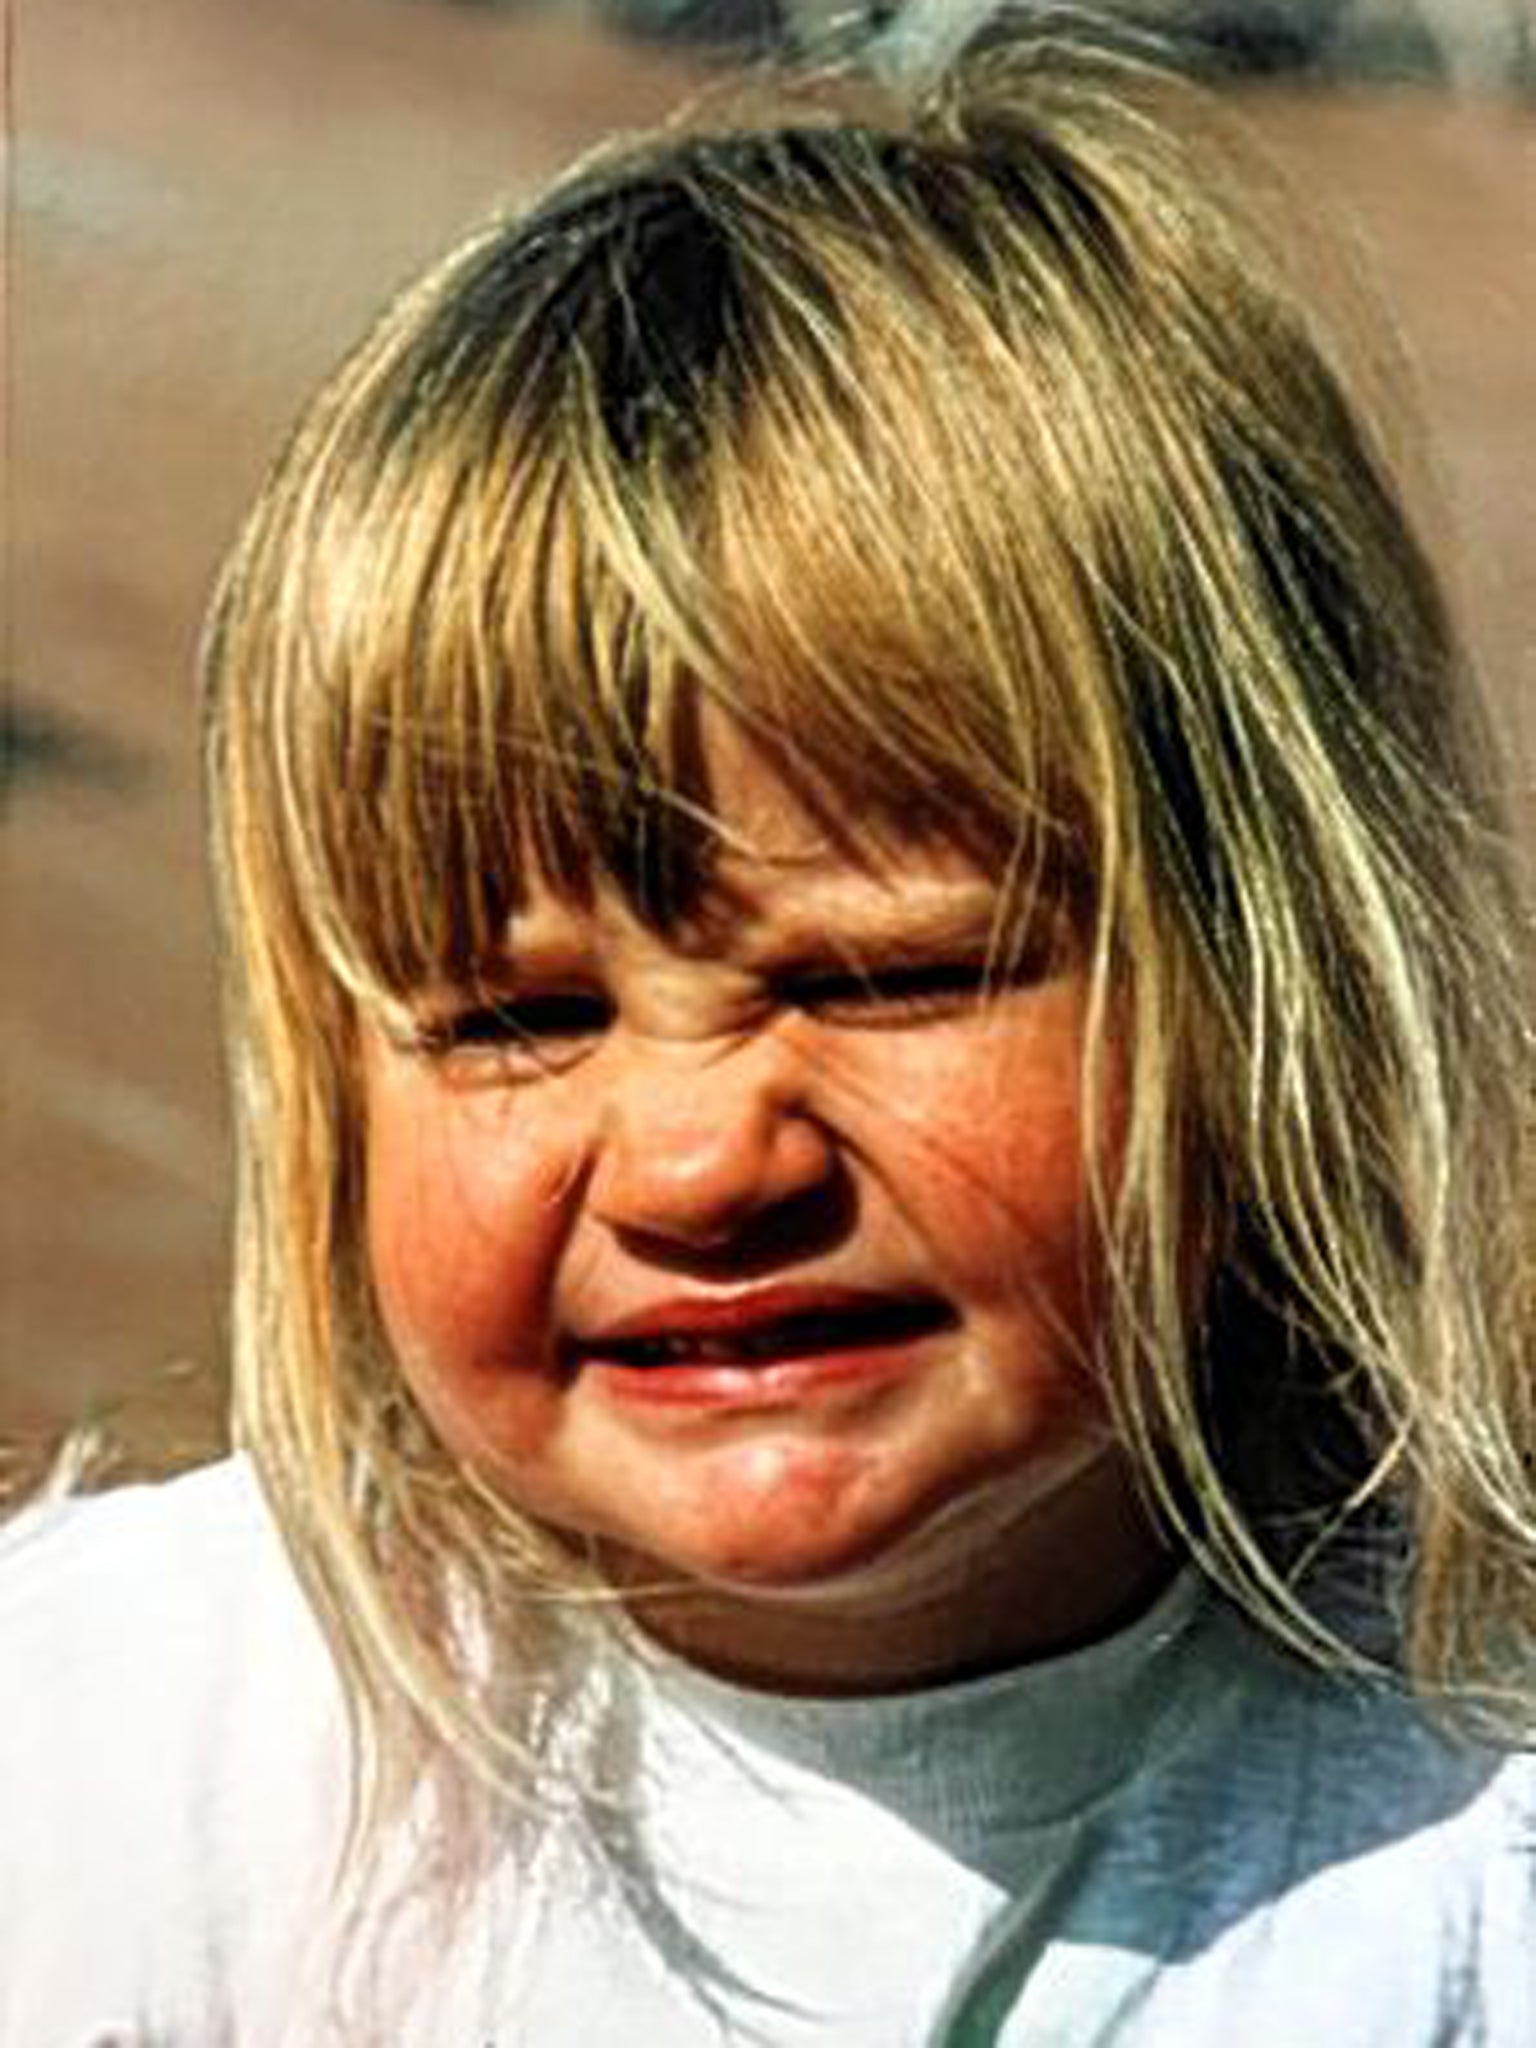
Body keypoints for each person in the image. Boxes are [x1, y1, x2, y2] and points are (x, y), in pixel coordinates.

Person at [3, 21, 1533, 2045]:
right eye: (519, 1015)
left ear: (1288, 974)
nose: (702, 1161)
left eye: (887, 978)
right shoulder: (109, 1782)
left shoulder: (1466, 1840)